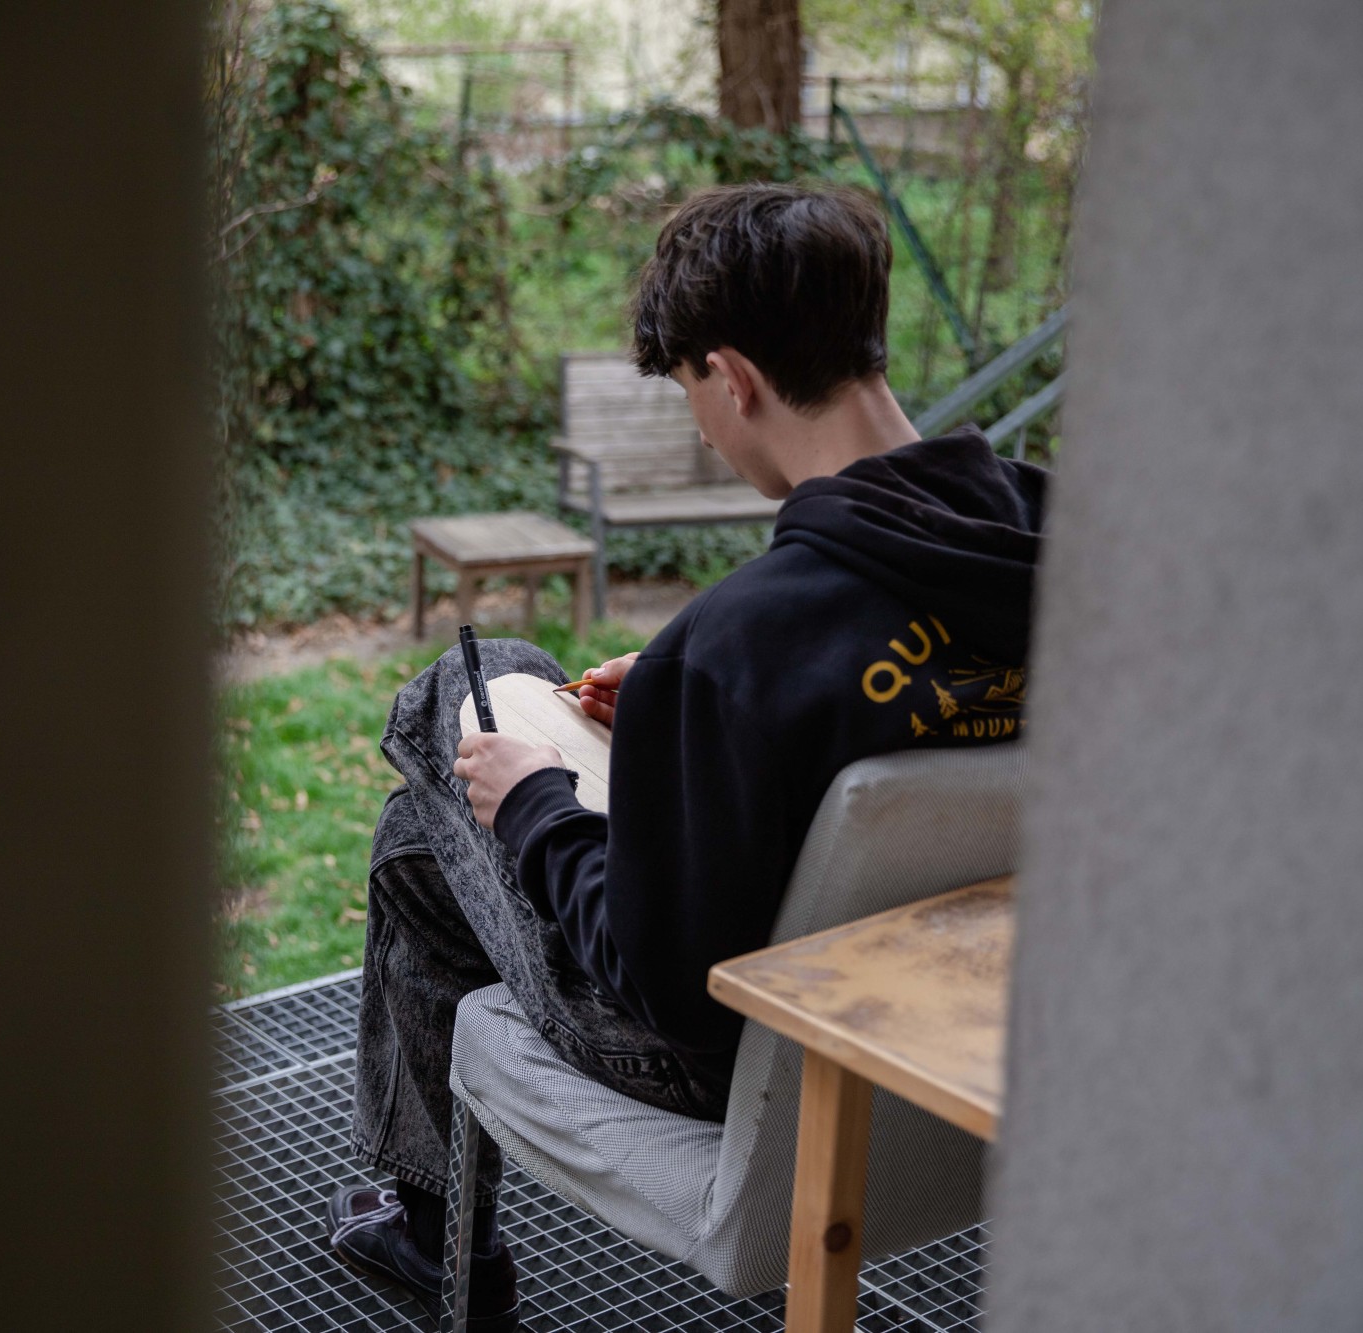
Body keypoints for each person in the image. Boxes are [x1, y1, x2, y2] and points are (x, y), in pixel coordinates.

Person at [325, 182, 1048, 1329]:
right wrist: (670, 720)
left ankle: (423, 1222)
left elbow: (661, 989)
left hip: (731, 1061)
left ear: (732, 376)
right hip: (961, 1029)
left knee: (450, 728)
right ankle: (414, 1217)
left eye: (687, 395)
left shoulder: (732, 648)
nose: (702, 429)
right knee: (425, 830)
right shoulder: (1060, 541)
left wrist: (536, 802)